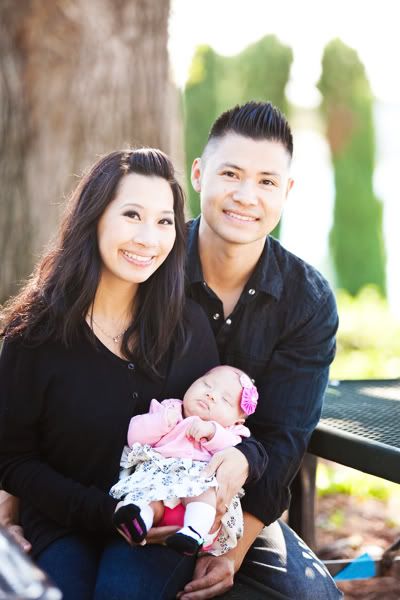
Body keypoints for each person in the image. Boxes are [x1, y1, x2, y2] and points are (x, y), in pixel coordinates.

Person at [0, 147, 267, 600]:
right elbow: (13, 459)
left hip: (164, 523)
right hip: (65, 521)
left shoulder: (186, 325)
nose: (148, 238)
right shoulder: (35, 334)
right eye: (132, 215)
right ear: (94, 218)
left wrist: (247, 459)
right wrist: (105, 513)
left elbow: (228, 426)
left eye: (164, 221)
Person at [177, 101, 342, 599]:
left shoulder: (306, 300)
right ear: (199, 174)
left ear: (286, 192)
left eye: (267, 181)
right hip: (141, 482)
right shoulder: (153, 264)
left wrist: (231, 552)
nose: (246, 196)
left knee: (314, 596)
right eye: (231, 174)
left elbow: (284, 439)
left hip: (239, 506)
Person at [110, 365, 258, 557]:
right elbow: (134, 437)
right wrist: (162, 422)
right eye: (207, 385)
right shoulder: (168, 408)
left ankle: (193, 533)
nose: (211, 395)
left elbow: (233, 449)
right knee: (147, 498)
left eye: (225, 399)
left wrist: (212, 432)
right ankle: (138, 521)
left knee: (205, 492)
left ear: (237, 421)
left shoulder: (232, 432)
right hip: (159, 480)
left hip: (196, 487)